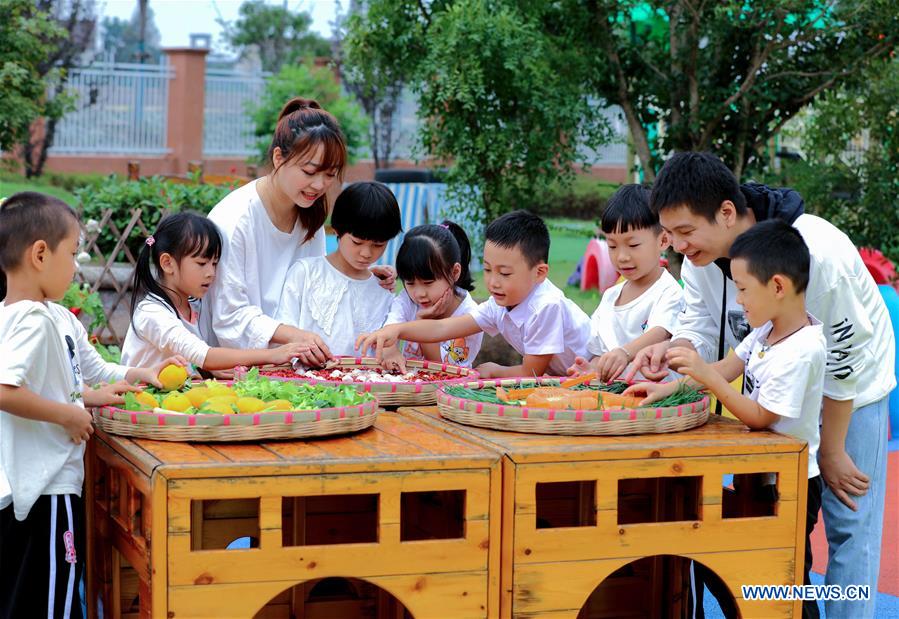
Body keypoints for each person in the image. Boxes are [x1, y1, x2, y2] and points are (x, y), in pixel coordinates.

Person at [627, 152, 894, 618]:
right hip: (778, 394)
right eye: (672, 235)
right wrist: (678, 358)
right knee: (781, 531)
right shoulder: (701, 258)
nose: (678, 247)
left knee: (851, 524)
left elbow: (847, 356)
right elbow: (703, 324)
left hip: (850, 392)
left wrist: (830, 448)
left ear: (727, 212)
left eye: (687, 232)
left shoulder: (815, 252)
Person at [626, 220, 825, 618]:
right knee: (737, 568)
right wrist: (670, 388)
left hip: (789, 482)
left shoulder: (802, 348)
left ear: (779, 287)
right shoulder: (766, 332)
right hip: (759, 472)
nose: (739, 299)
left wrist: (707, 376)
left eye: (744, 289)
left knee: (782, 581)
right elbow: (728, 367)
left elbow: (760, 416)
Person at [0, 193, 181, 618]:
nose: (77, 265)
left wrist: (138, 376)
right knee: (53, 601)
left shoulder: (52, 317)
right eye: (73, 252)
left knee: (24, 597)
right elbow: (5, 389)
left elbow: (92, 372)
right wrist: (70, 414)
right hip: (46, 488)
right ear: (40, 254)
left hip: (33, 488)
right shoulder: (32, 319)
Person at [204, 97, 394, 368]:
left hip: (291, 368)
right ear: (278, 157)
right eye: (309, 171)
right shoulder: (235, 220)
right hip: (232, 370)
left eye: (330, 175)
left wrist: (357, 277)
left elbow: (315, 283)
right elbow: (229, 317)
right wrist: (295, 336)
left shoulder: (309, 214)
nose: (319, 185)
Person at [357, 210, 591, 378]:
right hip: (570, 376)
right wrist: (395, 330)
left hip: (601, 375)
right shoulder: (498, 304)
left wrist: (495, 370)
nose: (492, 282)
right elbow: (443, 328)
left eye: (505, 273)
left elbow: (532, 371)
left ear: (539, 273)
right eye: (487, 269)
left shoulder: (546, 306)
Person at [121, 212, 306, 370]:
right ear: (168, 263)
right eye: (202, 264)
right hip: (141, 404)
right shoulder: (152, 313)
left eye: (215, 263)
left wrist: (209, 371)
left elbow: (195, 360)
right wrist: (272, 355)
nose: (211, 273)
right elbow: (204, 355)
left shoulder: (195, 307)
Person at [567, 184, 682, 382]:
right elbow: (601, 351)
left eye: (633, 245)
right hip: (618, 401)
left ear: (663, 240)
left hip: (657, 400)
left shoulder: (669, 291)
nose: (621, 257)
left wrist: (624, 352)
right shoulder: (611, 297)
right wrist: (593, 368)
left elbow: (661, 331)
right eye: (612, 246)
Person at [274, 182, 402, 357]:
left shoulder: (382, 290)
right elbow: (284, 328)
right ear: (337, 231)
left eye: (378, 245)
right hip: (306, 381)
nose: (366, 253)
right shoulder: (306, 273)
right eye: (357, 242)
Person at [380, 221, 483, 371]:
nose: (419, 293)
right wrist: (390, 351)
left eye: (428, 282)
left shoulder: (470, 315)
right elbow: (390, 328)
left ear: (454, 272)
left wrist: (425, 321)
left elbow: (445, 370)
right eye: (410, 283)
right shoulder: (407, 300)